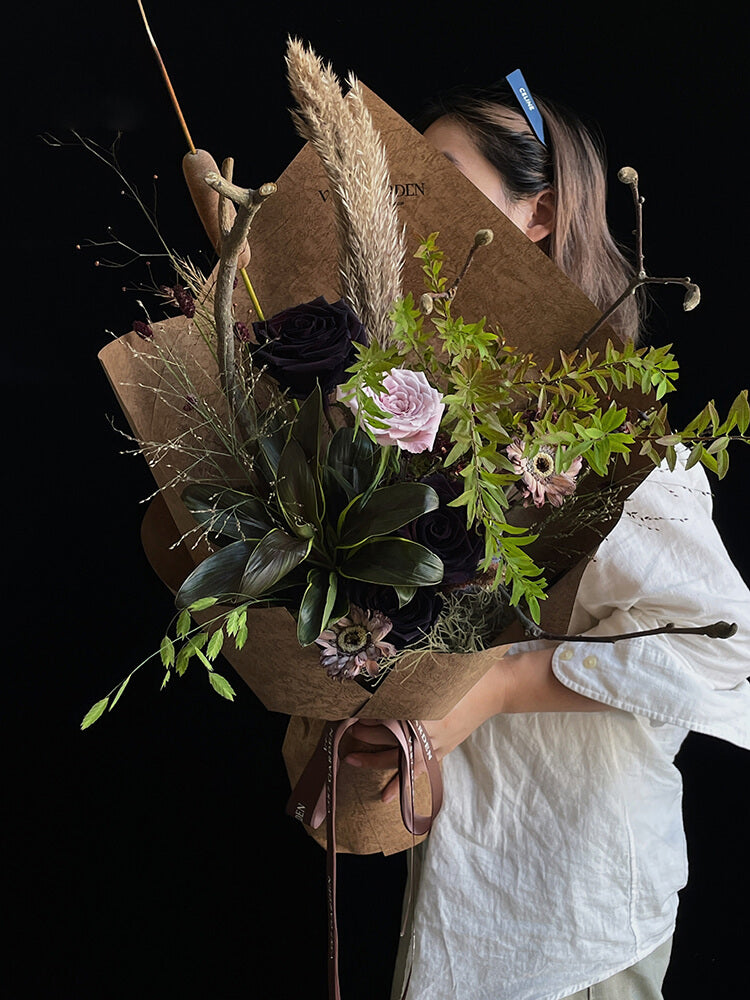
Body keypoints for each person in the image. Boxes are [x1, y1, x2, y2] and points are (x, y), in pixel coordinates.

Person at [342, 80, 750, 1000]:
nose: (413, 206)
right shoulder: (408, 423)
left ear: (541, 213)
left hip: (583, 920)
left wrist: (491, 691)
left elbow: (727, 650)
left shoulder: (603, 430)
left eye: (440, 177)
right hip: (457, 901)